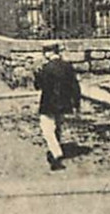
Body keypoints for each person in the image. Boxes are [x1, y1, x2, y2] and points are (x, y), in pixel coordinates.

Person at [33, 41, 81, 170]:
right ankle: (57, 147)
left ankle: (56, 154)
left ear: (47, 53)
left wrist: (36, 74)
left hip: (48, 103)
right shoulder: (67, 66)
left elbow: (38, 86)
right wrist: (76, 104)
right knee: (57, 127)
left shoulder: (46, 68)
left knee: (47, 129)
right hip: (64, 103)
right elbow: (75, 86)